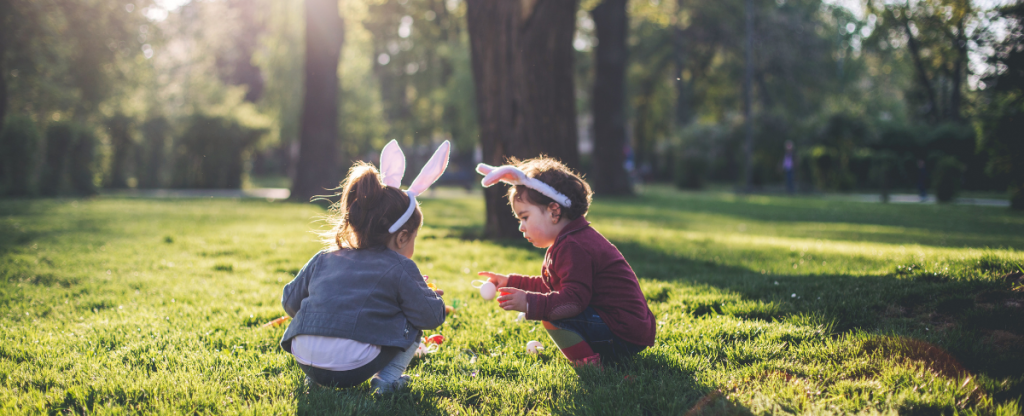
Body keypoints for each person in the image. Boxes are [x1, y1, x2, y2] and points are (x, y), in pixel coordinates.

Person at [279, 140, 450, 393]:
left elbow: (290, 303)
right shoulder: (401, 266)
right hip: (354, 365)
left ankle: (316, 377)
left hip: (304, 357)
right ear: (402, 237)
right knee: (412, 319)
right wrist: (430, 297)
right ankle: (387, 379)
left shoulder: (324, 258)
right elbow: (428, 317)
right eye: (413, 238)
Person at [475, 157, 656, 367]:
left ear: (554, 211)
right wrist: (510, 281)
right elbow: (550, 286)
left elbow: (573, 301)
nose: (521, 227)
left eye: (524, 217)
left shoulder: (574, 246)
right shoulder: (569, 240)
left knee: (552, 315)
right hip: (625, 327)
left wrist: (529, 303)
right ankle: (597, 354)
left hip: (622, 331)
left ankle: (588, 364)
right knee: (550, 305)